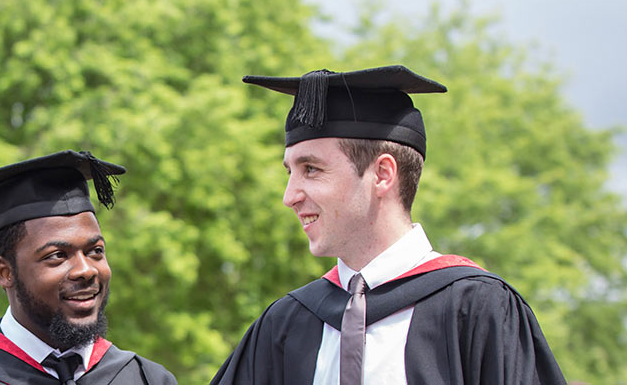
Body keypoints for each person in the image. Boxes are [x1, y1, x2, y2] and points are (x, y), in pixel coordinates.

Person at [210, 66, 566, 385]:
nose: (290, 196)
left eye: (312, 170)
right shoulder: (285, 326)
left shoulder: (477, 310)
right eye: (290, 173)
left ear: (382, 174)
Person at [0, 150, 177, 385]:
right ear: (5, 272)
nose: (86, 270)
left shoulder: (147, 379)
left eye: (95, 251)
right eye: (57, 255)